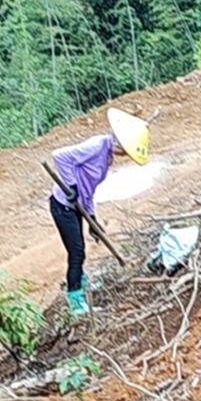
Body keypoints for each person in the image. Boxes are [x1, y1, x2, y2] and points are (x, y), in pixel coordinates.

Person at [45, 109, 152, 315]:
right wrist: (71, 186)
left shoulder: (106, 155)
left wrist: (92, 218)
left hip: (76, 205)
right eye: (125, 150)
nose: (125, 154)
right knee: (76, 252)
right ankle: (75, 300)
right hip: (62, 205)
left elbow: (89, 189)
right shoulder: (96, 145)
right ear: (119, 143)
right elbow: (59, 156)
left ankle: (81, 286)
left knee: (80, 248)